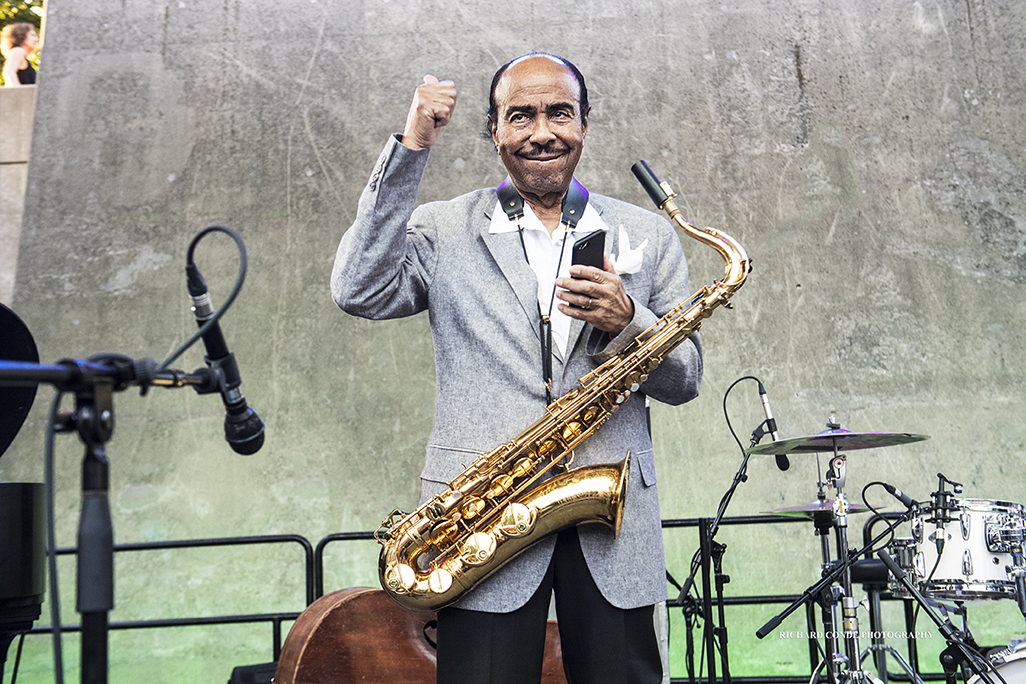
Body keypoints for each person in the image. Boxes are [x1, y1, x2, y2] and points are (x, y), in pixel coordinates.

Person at [332, 53, 703, 684]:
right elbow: (358, 288)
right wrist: (411, 146)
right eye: (520, 116)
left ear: (584, 123)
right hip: (481, 521)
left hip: (611, 519)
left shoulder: (649, 232)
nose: (541, 132)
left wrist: (630, 322)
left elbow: (686, 380)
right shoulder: (443, 228)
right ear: (494, 130)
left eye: (560, 112)